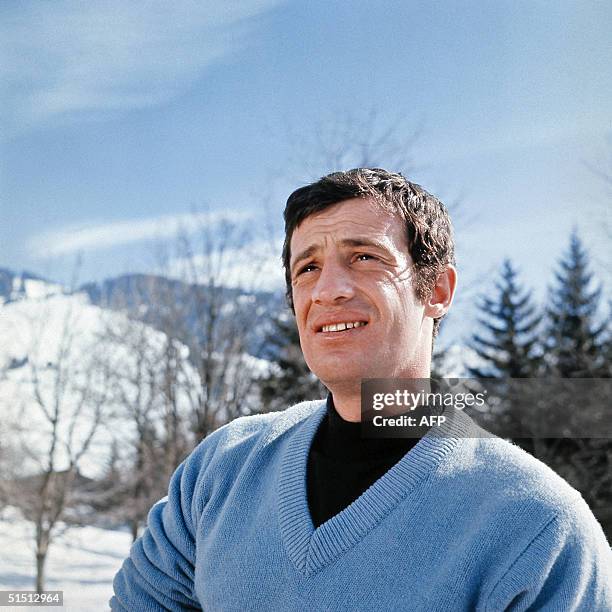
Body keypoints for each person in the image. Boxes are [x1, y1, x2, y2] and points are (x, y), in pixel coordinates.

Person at [111, 168, 612, 610]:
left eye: (365, 257)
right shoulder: (221, 469)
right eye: (307, 268)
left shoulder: (537, 526)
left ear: (437, 290)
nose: (328, 289)